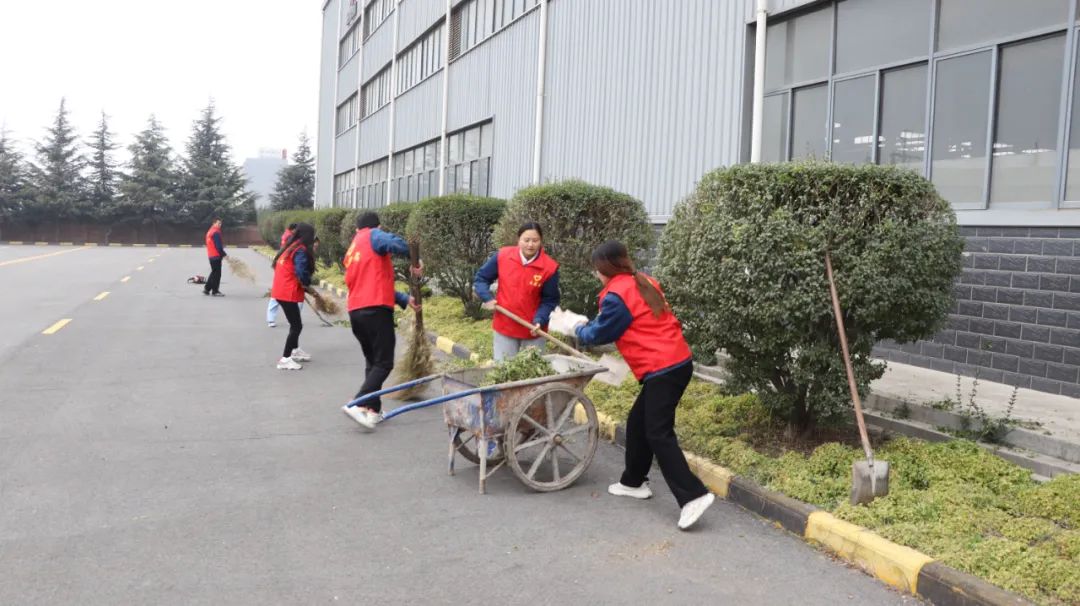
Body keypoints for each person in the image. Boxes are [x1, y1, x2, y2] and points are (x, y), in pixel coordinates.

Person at [548, 240, 715, 530]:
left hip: (663, 367)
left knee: (658, 432)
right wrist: (585, 325)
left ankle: (693, 496)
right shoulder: (644, 281)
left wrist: (573, 326)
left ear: (605, 269)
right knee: (639, 423)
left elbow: (601, 333)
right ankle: (633, 481)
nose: (596, 275)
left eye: (596, 270)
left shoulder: (616, 294)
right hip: (675, 361)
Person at [341, 212, 421, 429]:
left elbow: (374, 281)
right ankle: (357, 403)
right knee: (384, 362)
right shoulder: (373, 235)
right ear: (377, 226)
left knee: (373, 362)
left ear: (356, 228)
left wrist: (404, 299)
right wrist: (415, 258)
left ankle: (373, 409)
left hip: (356, 311)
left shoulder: (353, 248)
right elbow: (398, 245)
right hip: (375, 310)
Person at [473, 222, 560, 361]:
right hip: (505, 326)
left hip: (533, 330)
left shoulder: (549, 268)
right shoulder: (503, 256)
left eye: (535, 240)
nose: (530, 245)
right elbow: (481, 278)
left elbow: (550, 300)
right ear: (518, 240)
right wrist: (487, 297)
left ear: (541, 241)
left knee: (532, 374)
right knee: (503, 370)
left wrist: (540, 320)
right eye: (526, 240)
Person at [270, 223, 316, 370]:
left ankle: (295, 351)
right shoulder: (300, 250)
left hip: (280, 290)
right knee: (296, 326)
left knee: (295, 323)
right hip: (287, 292)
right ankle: (285, 358)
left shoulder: (289, 247)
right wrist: (306, 283)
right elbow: (301, 271)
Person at [267, 223, 299, 327]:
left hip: (280, 276)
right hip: (285, 277)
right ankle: (292, 319)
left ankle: (271, 319)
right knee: (282, 297)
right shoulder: (290, 239)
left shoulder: (286, 236)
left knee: (276, 296)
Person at [203, 217, 226, 296]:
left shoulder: (210, 232)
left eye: (220, 223)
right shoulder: (216, 232)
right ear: (214, 223)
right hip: (216, 255)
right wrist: (224, 255)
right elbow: (218, 247)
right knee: (217, 274)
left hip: (211, 255)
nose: (220, 225)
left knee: (214, 272)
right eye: (218, 223)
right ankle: (215, 291)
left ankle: (207, 289)